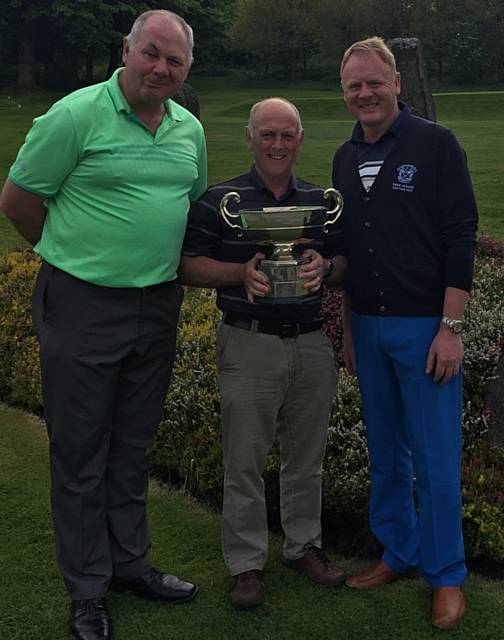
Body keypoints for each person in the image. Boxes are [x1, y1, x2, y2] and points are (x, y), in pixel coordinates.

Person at [0, 10, 206, 640]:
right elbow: (19, 201)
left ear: (186, 69)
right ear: (127, 50)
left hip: (157, 305)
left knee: (131, 446)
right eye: (151, 54)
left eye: (174, 61)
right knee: (82, 452)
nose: (160, 69)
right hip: (82, 304)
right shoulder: (73, 115)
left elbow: (184, 206)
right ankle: (87, 589)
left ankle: (129, 564)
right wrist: (70, 259)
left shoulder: (188, 129)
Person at [331, 37, 478, 630]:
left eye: (374, 82)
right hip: (367, 326)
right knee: (386, 452)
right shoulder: (344, 157)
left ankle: (447, 575)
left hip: (425, 328)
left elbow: (460, 236)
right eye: (353, 86)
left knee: (436, 458)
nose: (364, 93)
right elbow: (344, 252)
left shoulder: (435, 145)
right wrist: (345, 330)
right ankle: (398, 550)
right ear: (345, 94)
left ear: (396, 83)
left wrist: (450, 328)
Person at [179, 97, 346, 609]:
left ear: (300, 140)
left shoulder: (319, 201)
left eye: (287, 135)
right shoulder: (219, 200)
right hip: (249, 341)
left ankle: (303, 547)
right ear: (250, 138)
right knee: (245, 460)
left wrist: (327, 268)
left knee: (307, 457)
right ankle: (247, 564)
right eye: (268, 135)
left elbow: (345, 263)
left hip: (313, 343)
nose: (278, 144)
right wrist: (237, 274)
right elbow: (186, 265)